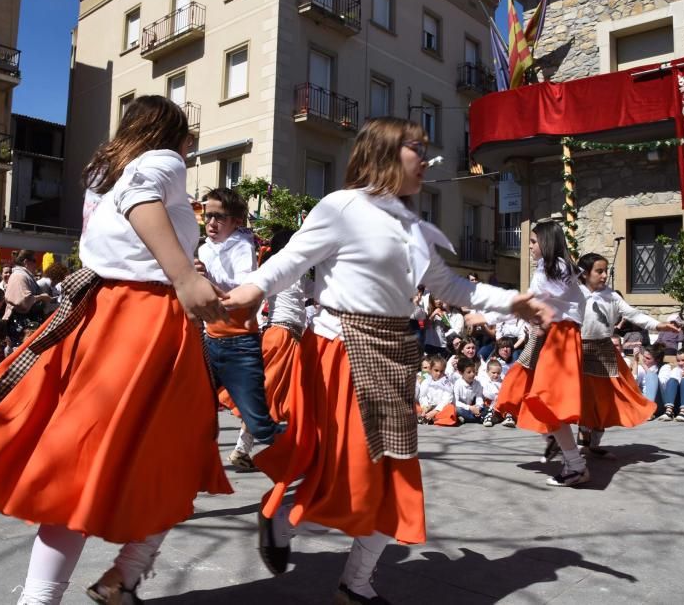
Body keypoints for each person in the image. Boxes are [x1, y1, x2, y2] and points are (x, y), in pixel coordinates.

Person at [0, 95, 232, 605]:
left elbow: (123, 237)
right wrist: (185, 275)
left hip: (103, 309)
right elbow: (142, 205)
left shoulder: (104, 174)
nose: (190, 146)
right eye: (187, 135)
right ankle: (108, 580)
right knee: (172, 456)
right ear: (170, 132)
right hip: (143, 320)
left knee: (85, 462)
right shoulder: (162, 160)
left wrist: (192, 276)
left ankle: (102, 583)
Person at [223, 117, 550, 602]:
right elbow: (288, 261)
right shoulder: (341, 206)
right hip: (344, 352)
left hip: (394, 357)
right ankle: (283, 523)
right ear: (383, 154)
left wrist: (510, 301)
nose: (426, 157)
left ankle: (355, 582)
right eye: (415, 148)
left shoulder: (412, 223)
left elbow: (448, 287)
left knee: (395, 473)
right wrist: (245, 294)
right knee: (351, 470)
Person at [495, 220, 591, 487]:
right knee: (526, 390)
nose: (530, 246)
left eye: (533, 241)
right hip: (553, 338)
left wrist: (484, 312)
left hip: (560, 339)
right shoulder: (559, 270)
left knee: (547, 401)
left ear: (546, 243)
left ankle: (574, 464)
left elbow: (526, 302)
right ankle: (558, 445)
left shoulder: (553, 270)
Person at [197, 187, 282, 471]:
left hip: (239, 346)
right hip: (209, 341)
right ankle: (196, 468)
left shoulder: (242, 246)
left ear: (236, 220)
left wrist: (205, 280)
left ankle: (310, 458)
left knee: (259, 424)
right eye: (207, 215)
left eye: (219, 217)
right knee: (197, 411)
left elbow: (243, 293)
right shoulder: (203, 249)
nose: (211, 222)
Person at [572, 253, 678, 457]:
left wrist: (658, 324)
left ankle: (594, 442)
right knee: (584, 397)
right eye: (599, 271)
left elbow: (634, 314)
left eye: (605, 271)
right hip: (579, 350)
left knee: (606, 397)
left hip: (604, 350)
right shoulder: (574, 294)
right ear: (585, 274)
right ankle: (581, 437)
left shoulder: (611, 296)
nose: (604, 276)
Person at [259, 229, 308, 425]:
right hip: (279, 333)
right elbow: (256, 289)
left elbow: (315, 291)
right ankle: (241, 447)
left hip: (295, 336)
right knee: (267, 388)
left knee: (287, 392)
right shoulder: (274, 265)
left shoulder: (299, 271)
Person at [3, 251, 51, 340]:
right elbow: (23, 301)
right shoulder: (19, 276)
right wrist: (41, 297)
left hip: (26, 323)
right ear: (25, 262)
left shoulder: (23, 275)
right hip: (21, 325)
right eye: (34, 261)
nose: (36, 264)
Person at [636, 344, 677, 420]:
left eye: (648, 358)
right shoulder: (640, 368)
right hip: (644, 399)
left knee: (652, 376)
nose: (644, 360)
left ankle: (649, 411)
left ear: (657, 360)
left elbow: (662, 385)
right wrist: (635, 362)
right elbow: (634, 384)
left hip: (659, 401)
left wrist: (646, 369)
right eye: (644, 357)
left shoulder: (664, 367)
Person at [417, 355, 456, 425]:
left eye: (441, 371)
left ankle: (434, 418)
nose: (439, 373)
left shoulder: (447, 382)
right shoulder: (426, 381)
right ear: (431, 369)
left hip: (440, 408)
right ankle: (425, 416)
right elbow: (423, 396)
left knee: (450, 408)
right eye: (436, 370)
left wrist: (435, 411)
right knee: (414, 407)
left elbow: (447, 400)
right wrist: (425, 407)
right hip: (428, 407)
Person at [452, 357, 484, 424]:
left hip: (472, 408)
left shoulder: (477, 383)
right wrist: (469, 408)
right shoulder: (458, 384)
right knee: (457, 410)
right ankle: (478, 418)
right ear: (461, 373)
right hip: (464, 408)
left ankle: (471, 418)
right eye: (469, 372)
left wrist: (478, 407)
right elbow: (455, 402)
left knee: (485, 408)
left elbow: (479, 397)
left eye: (473, 371)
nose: (472, 374)